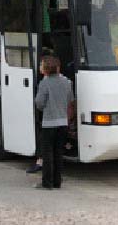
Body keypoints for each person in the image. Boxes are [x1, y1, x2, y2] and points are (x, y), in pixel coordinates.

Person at [34, 55, 74, 190]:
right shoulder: (67, 82)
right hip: (63, 123)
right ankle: (58, 181)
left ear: (46, 68)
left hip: (49, 123)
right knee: (58, 153)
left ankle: (47, 182)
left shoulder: (45, 83)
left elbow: (39, 103)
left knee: (47, 153)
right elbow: (70, 100)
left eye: (41, 65)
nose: (39, 67)